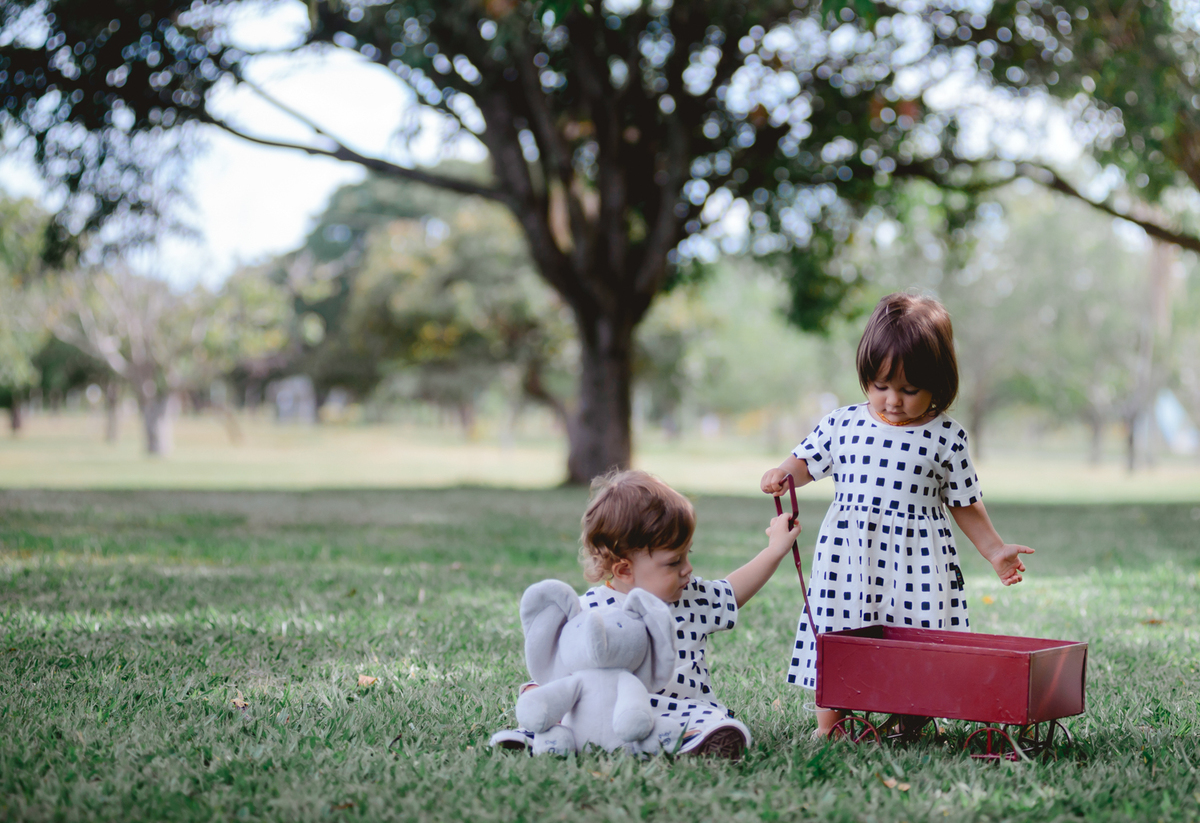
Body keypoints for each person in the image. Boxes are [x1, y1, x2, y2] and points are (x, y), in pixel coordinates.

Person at [760, 292, 1034, 739]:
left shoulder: (947, 437)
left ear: (938, 385)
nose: (892, 400)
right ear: (865, 376)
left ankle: (912, 719)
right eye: (880, 386)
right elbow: (806, 462)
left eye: (909, 390)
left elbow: (964, 502)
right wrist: (781, 474)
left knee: (917, 634)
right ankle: (832, 723)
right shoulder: (842, 423)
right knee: (841, 631)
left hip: (918, 560)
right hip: (849, 557)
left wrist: (994, 550)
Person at [491, 469, 802, 759]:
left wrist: (774, 549)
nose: (688, 569)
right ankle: (534, 739)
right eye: (673, 561)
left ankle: (700, 741)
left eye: (687, 555)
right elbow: (564, 665)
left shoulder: (691, 596)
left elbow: (733, 591)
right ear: (625, 569)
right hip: (611, 713)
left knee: (710, 718)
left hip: (684, 709)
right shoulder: (589, 613)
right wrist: (539, 689)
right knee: (570, 720)